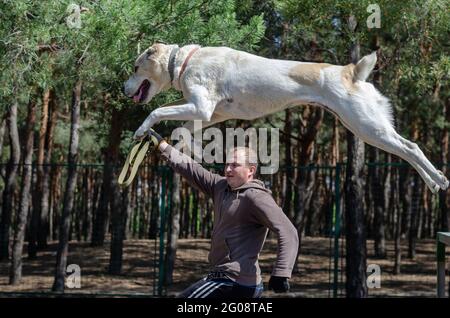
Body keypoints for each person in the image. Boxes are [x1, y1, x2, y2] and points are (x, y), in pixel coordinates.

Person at [147, 128, 299, 298]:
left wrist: (281, 272)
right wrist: (162, 145)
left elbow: (288, 231)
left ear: (251, 170)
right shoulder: (220, 187)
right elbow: (191, 168)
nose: (228, 169)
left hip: (232, 280)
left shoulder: (256, 197)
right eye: (227, 164)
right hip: (229, 278)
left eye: (235, 165)